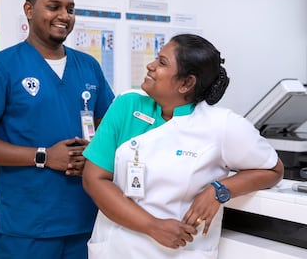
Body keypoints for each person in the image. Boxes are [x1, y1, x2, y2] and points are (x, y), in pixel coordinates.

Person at [82, 34, 284, 259]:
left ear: (186, 83)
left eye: (162, 63)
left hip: (179, 252)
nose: (150, 66)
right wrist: (152, 225)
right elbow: (94, 179)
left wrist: (218, 190)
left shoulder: (221, 125)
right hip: (118, 247)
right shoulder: (127, 104)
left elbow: (273, 169)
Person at [0, 0, 115, 259]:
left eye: (70, 9)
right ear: (29, 11)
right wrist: (43, 156)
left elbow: (110, 130)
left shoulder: (88, 67)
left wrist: (94, 152)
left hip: (86, 220)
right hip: (28, 227)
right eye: (53, 7)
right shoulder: (0, 67)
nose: (64, 16)